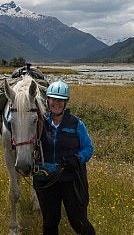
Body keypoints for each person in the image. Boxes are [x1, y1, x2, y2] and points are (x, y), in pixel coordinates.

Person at [33, 80, 95, 235]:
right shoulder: (40, 122)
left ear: (66, 102)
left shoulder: (76, 123)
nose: (56, 103)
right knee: (50, 222)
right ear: (47, 100)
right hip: (46, 180)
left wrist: (78, 158)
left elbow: (88, 148)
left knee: (78, 221)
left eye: (60, 100)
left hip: (71, 180)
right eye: (53, 99)